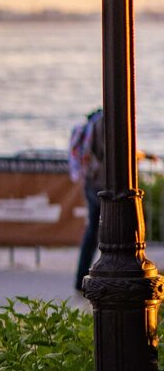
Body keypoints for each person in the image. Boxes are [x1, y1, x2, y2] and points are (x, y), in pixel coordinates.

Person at [70, 106, 104, 295]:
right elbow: (116, 152)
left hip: (91, 182)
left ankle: (81, 278)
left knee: (93, 231)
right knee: (106, 231)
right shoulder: (105, 123)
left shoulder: (93, 123)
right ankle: (98, 275)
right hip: (103, 185)